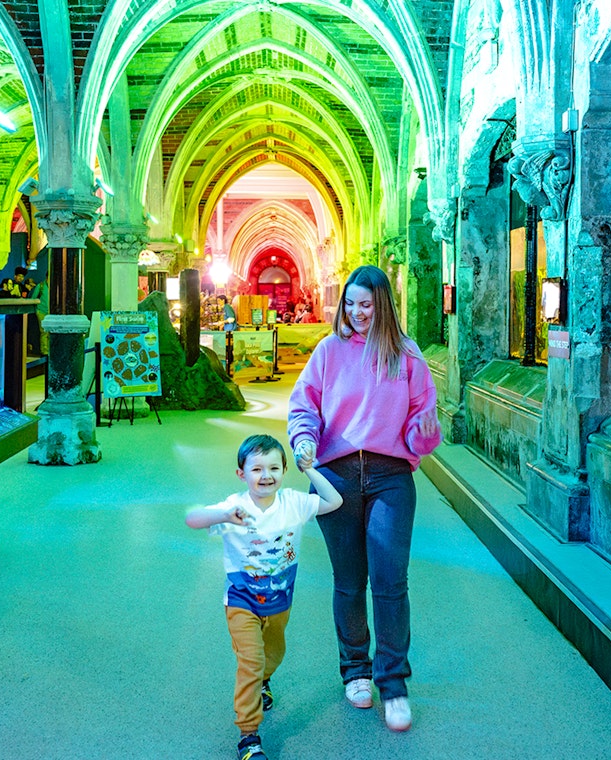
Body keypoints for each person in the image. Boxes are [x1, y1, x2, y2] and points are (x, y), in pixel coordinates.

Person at [286, 264, 441, 732]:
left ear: (384, 306)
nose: (357, 312)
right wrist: (304, 440)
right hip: (335, 478)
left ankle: (393, 684)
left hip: (390, 476)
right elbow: (303, 404)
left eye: (366, 305)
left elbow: (421, 423)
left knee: (390, 581)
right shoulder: (329, 351)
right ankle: (356, 670)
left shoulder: (407, 356)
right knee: (349, 580)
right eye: (350, 304)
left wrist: (424, 432)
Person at [186, 434, 343, 760]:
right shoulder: (234, 507)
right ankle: (249, 736)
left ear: (285, 471)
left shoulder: (294, 503)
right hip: (241, 601)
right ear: (241, 473)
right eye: (256, 468)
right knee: (251, 662)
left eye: (274, 467)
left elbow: (334, 501)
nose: (266, 475)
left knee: (273, 653)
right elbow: (193, 518)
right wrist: (223, 516)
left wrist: (311, 470)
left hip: (279, 602)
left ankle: (264, 679)